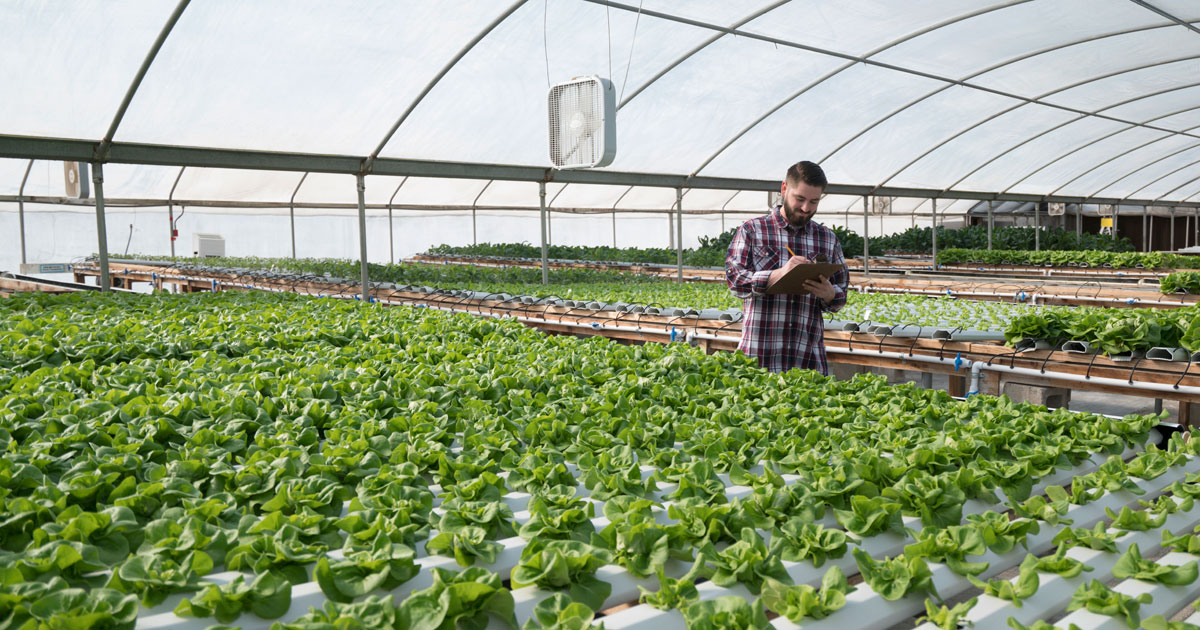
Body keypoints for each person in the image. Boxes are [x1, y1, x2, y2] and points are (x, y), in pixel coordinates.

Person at [725, 161, 848, 375]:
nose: (806, 208)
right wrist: (778, 275)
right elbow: (736, 282)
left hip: (808, 360)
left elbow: (841, 292)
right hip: (758, 358)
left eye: (814, 201)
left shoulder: (827, 239)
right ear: (784, 189)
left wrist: (830, 294)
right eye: (799, 199)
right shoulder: (752, 230)